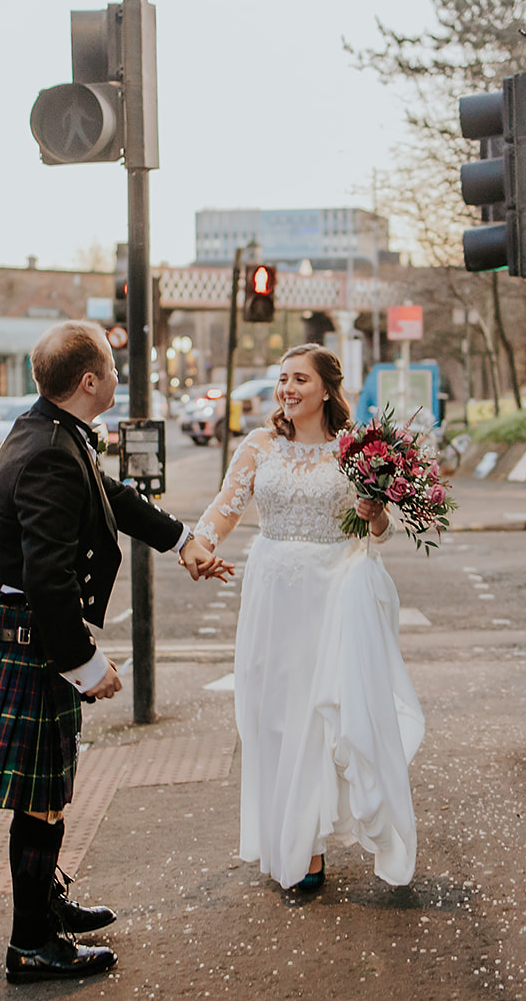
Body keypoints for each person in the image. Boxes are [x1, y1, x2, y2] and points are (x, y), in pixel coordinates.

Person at [0, 321, 231, 985]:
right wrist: (86, 665)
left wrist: (182, 537)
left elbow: (110, 497)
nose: (118, 377)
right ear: (90, 380)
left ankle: (45, 903)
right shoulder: (47, 449)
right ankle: (31, 942)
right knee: (42, 793)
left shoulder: (52, 432)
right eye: (112, 368)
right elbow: (48, 578)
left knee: (47, 789)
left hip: (17, 630)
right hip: (21, 634)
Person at [192, 344, 425, 892]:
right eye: (282, 379)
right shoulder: (260, 445)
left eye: (300, 379)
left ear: (326, 388)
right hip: (273, 593)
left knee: (322, 717)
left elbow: (379, 533)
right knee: (275, 716)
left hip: (334, 593)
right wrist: (198, 544)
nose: (287, 389)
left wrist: (376, 514)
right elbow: (227, 506)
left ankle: (312, 843)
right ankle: (295, 839)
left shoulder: (356, 451)